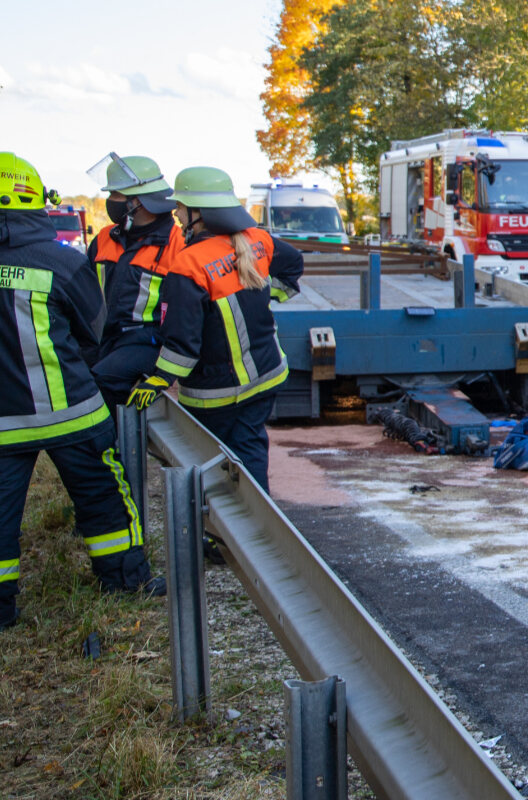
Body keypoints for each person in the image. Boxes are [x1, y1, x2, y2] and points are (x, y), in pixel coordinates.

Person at [1, 153, 165, 629]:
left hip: (3, 423)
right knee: (104, 500)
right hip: (72, 410)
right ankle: (125, 580)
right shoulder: (63, 261)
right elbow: (95, 328)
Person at [126, 167, 303, 493]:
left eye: (181, 208)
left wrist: (160, 379)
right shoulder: (257, 239)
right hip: (267, 376)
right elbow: (294, 264)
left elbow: (183, 342)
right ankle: (257, 521)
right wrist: (267, 295)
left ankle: (228, 532)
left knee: (217, 468)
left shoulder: (189, 264)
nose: (176, 215)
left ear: (200, 213)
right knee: (250, 450)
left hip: (220, 393)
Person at [88, 155, 184, 412]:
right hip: (102, 339)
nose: (110, 201)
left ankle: (115, 447)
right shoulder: (103, 239)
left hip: (148, 341)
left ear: (138, 202)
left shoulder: (177, 246)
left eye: (116, 194)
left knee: (103, 379)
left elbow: (186, 316)